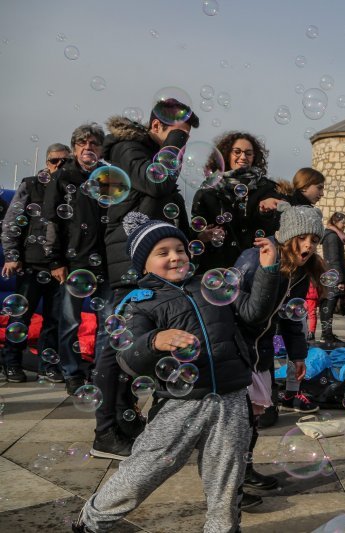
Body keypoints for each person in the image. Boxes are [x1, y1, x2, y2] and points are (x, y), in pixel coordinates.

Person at [72, 211, 277, 532]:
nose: (175, 257)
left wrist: (268, 271)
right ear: (143, 264)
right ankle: (93, 518)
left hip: (231, 397)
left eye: (179, 250)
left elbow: (255, 314)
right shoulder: (141, 302)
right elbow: (129, 357)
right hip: (180, 403)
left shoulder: (212, 285)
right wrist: (155, 341)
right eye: (162, 252)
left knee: (227, 475)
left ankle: (223, 528)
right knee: (146, 468)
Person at [95, 98, 198, 460]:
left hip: (150, 261)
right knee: (115, 345)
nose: (181, 146)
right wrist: (172, 145)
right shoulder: (128, 148)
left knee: (137, 342)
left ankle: (126, 417)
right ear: (156, 127)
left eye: (185, 139)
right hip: (128, 259)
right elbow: (153, 185)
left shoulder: (155, 158)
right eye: (177, 136)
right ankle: (105, 431)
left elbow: (165, 203)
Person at [233, 202, 326, 503]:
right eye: (303, 238)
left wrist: (298, 356)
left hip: (261, 353)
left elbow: (290, 316)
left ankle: (243, 471)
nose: (309, 245)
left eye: (315, 239)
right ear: (287, 235)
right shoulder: (254, 259)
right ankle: (228, 486)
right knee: (235, 422)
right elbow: (234, 308)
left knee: (253, 420)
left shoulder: (300, 272)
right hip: (235, 351)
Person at [43, 124, 115, 396]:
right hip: (74, 264)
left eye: (94, 144)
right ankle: (72, 373)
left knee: (107, 322)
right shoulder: (63, 177)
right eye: (82, 144)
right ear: (74, 149)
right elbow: (51, 221)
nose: (88, 148)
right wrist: (55, 261)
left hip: (107, 263)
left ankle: (101, 372)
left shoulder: (109, 176)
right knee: (70, 322)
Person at [1, 143, 70, 384]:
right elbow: (11, 222)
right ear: (46, 163)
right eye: (54, 161)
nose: (59, 166)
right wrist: (11, 255)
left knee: (54, 318)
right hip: (31, 264)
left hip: (61, 265)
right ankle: (11, 362)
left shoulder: (73, 189)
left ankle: (47, 366)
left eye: (65, 161)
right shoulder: (30, 184)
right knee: (21, 317)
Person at [191, 131, 273, 274]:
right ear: (226, 154)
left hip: (254, 267)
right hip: (216, 267)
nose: (243, 157)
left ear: (254, 157)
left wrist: (265, 213)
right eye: (237, 152)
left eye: (248, 153)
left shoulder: (267, 188)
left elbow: (274, 229)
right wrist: (203, 236)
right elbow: (195, 228)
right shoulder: (208, 191)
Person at [319, 211, 345, 346]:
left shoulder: (332, 236)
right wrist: (340, 280)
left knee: (327, 306)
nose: (344, 226)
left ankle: (327, 334)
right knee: (328, 306)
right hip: (333, 277)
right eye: (343, 223)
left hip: (331, 275)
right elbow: (334, 259)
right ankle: (326, 335)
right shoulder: (332, 237)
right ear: (336, 222)